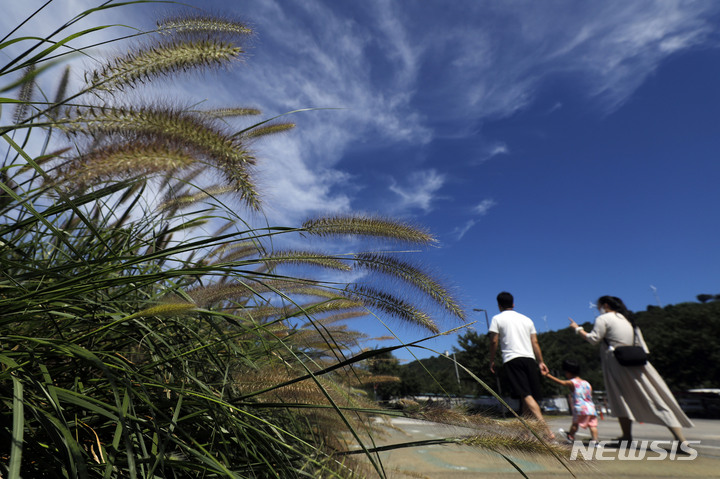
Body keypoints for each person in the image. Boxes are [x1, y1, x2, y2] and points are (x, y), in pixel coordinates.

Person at [569, 295, 693, 446]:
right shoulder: (630, 320)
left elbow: (593, 339)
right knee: (654, 398)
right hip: (639, 364)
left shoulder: (604, 318)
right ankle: (680, 440)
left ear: (606, 305)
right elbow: (643, 347)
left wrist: (578, 329)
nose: (598, 308)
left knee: (620, 398)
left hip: (617, 362)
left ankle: (627, 436)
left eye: (599, 305)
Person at [488, 291, 554, 439]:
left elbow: (493, 341)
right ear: (513, 304)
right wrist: (541, 361)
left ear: (499, 305)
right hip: (530, 359)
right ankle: (526, 433)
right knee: (526, 398)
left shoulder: (497, 319)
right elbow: (535, 342)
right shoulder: (527, 319)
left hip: (512, 359)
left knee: (525, 395)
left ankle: (547, 431)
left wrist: (491, 360)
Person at [543, 359, 599, 443]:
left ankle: (571, 436)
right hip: (591, 407)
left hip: (580, 407)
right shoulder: (586, 383)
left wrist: (548, 375)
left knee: (575, 424)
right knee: (592, 425)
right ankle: (595, 441)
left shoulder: (572, 382)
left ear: (568, 372)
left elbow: (561, 382)